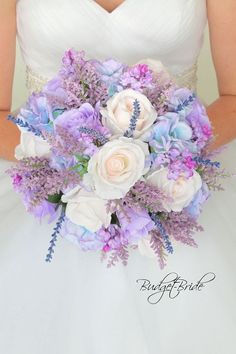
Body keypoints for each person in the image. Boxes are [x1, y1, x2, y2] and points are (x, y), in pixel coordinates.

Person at [0, 1, 235, 354]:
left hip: (177, 179)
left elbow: (234, 97)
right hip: (46, 181)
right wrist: (81, 168)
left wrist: (154, 162)